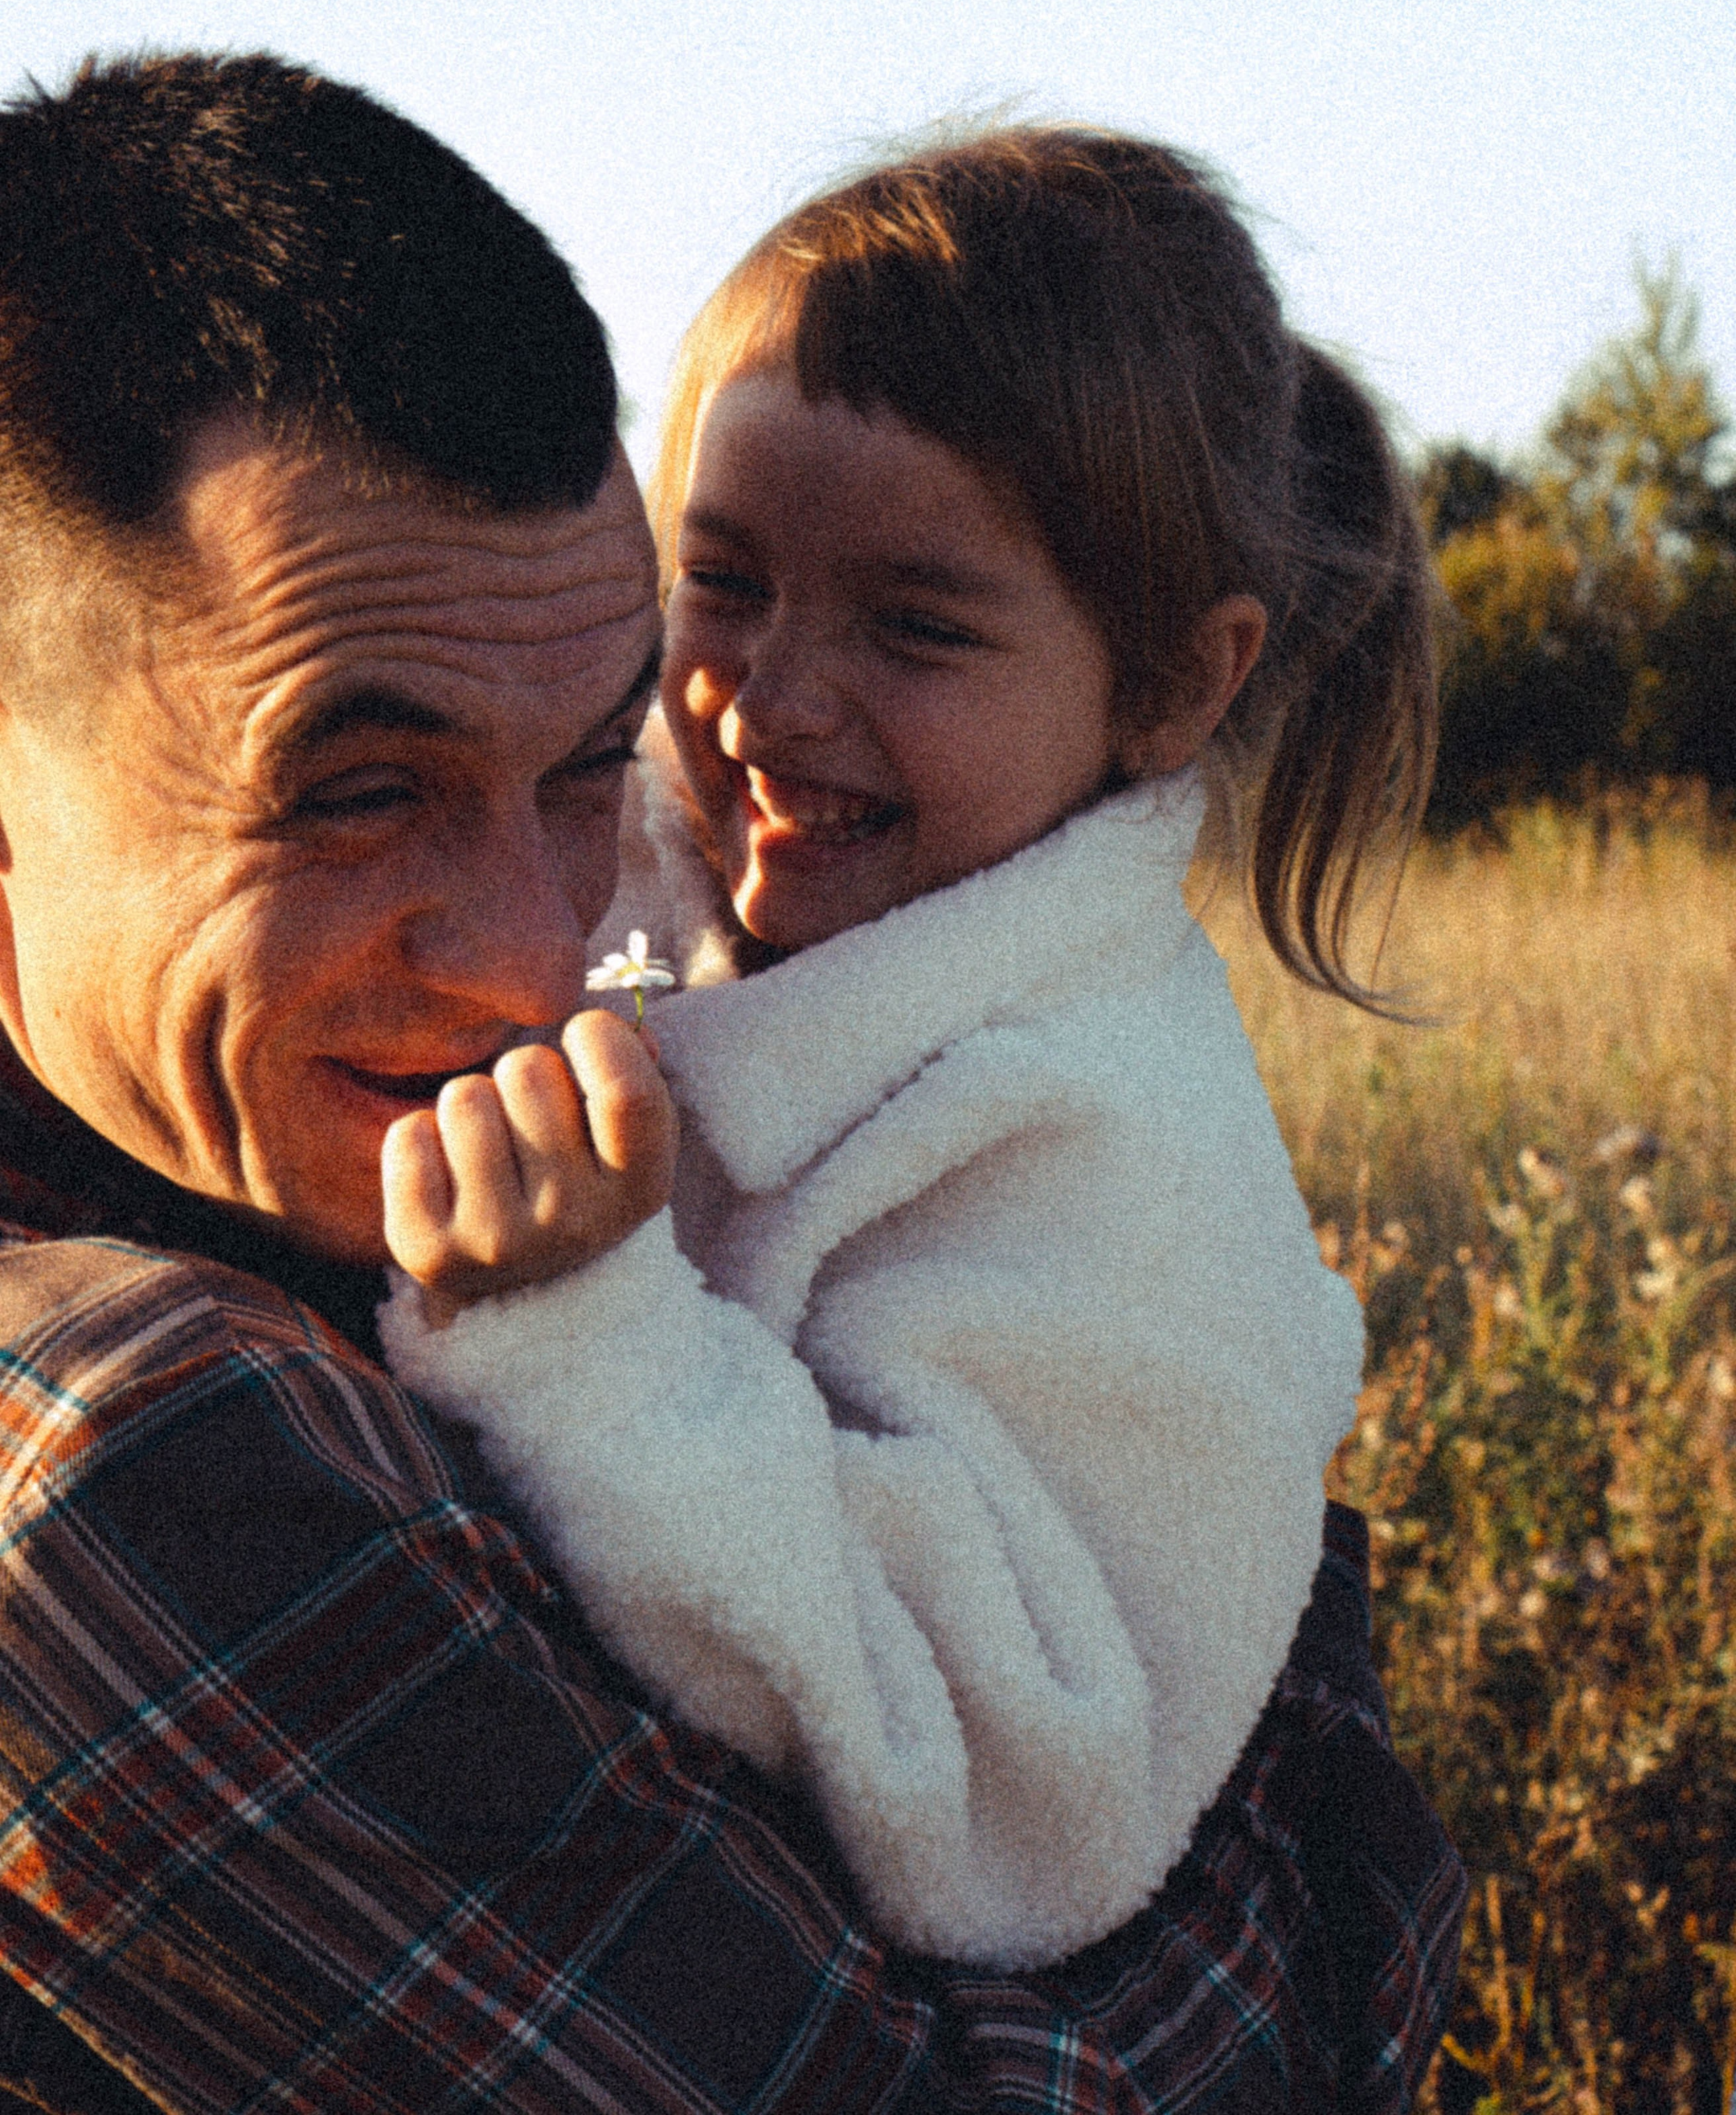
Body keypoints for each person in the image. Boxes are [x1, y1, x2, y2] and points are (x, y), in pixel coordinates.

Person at [0, 55, 1465, 2115]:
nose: (533, 962)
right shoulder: (137, 1462)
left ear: (1179, 680)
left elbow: (1035, 1754)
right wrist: (1328, 1833)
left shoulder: (1069, 1137)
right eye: (352, 792)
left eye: (598, 760)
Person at [379, 130, 1440, 1976]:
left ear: (1179, 683)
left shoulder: (1107, 1150)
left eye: (917, 624)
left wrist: (588, 1342)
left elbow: (1035, 1795)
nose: (772, 697)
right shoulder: (657, 879)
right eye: (721, 580)